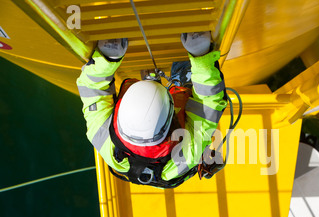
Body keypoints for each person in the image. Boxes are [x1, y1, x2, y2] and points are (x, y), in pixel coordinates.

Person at [76, 32, 227, 188]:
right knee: (187, 84)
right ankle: (177, 77)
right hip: (176, 161)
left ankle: (155, 80)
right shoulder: (187, 154)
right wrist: (201, 56)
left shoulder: (103, 138)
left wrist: (107, 58)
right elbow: (208, 104)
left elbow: (92, 90)